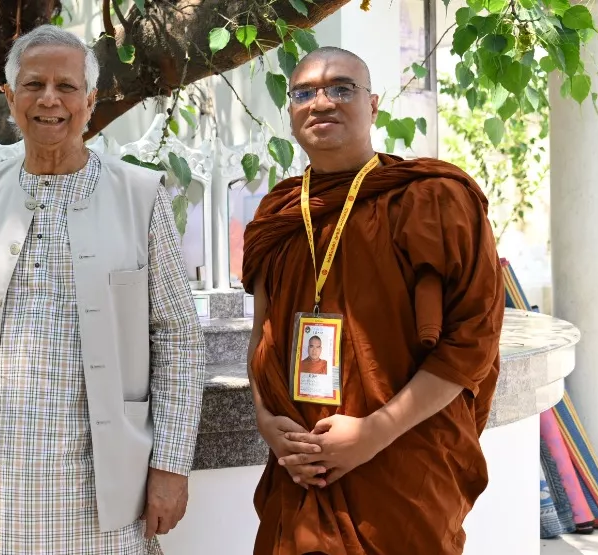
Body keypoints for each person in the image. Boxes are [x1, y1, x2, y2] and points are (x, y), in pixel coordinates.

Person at [0, 24, 206, 554]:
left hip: (108, 480)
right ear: (10, 97)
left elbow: (178, 338)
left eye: (67, 87)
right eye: (33, 85)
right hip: (1, 482)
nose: (49, 100)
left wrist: (170, 465)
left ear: (91, 101)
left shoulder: (139, 197)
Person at [242, 47, 504, 554]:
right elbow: (261, 334)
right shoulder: (279, 211)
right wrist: (266, 422)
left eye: (342, 88)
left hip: (403, 464)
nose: (322, 102)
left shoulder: (432, 198)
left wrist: (374, 433)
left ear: (374, 104)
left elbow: (473, 341)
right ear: (291, 111)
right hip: (299, 472)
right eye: (305, 93)